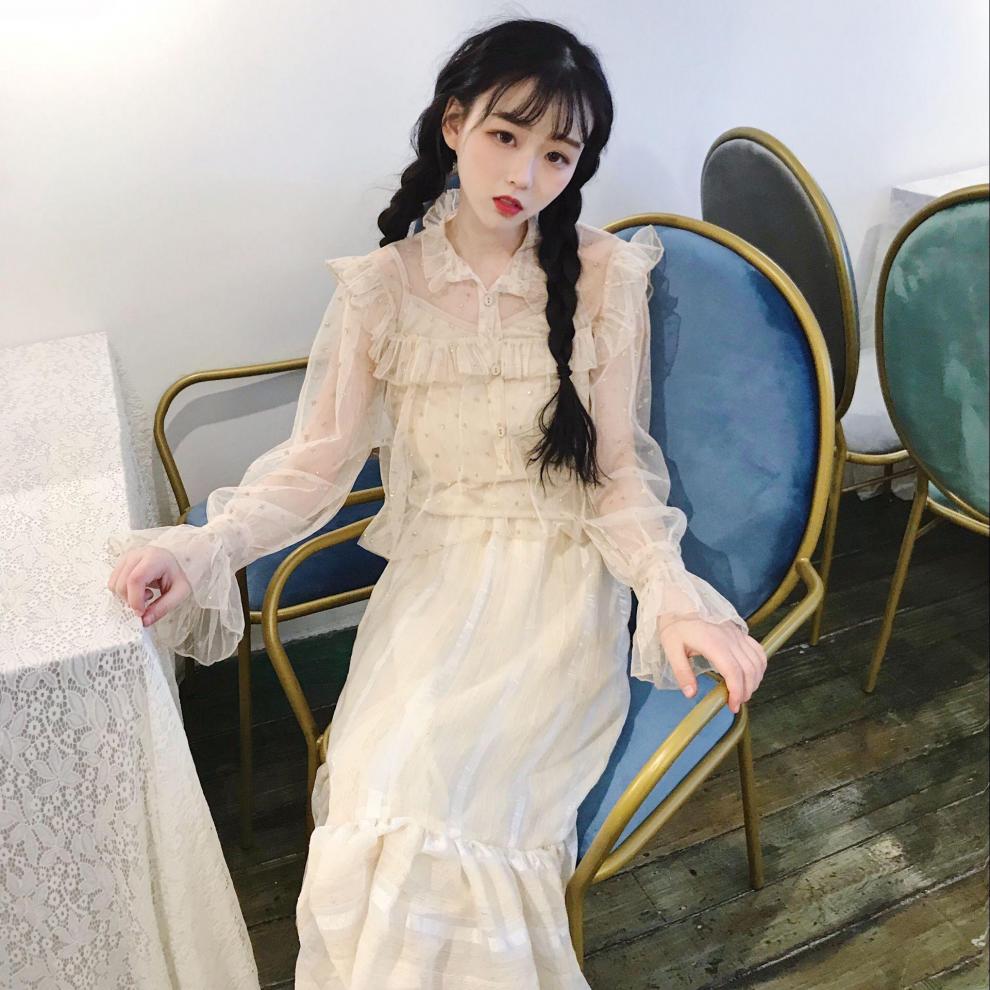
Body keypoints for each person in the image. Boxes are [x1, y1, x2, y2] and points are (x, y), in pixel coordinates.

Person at [106, 17, 767, 989]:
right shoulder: (381, 291)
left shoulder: (603, 279)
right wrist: (204, 546)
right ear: (455, 124)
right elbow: (314, 466)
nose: (526, 173)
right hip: (433, 589)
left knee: (460, 841)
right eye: (506, 134)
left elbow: (617, 478)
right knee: (373, 817)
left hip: (554, 596)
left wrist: (671, 600)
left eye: (558, 154)